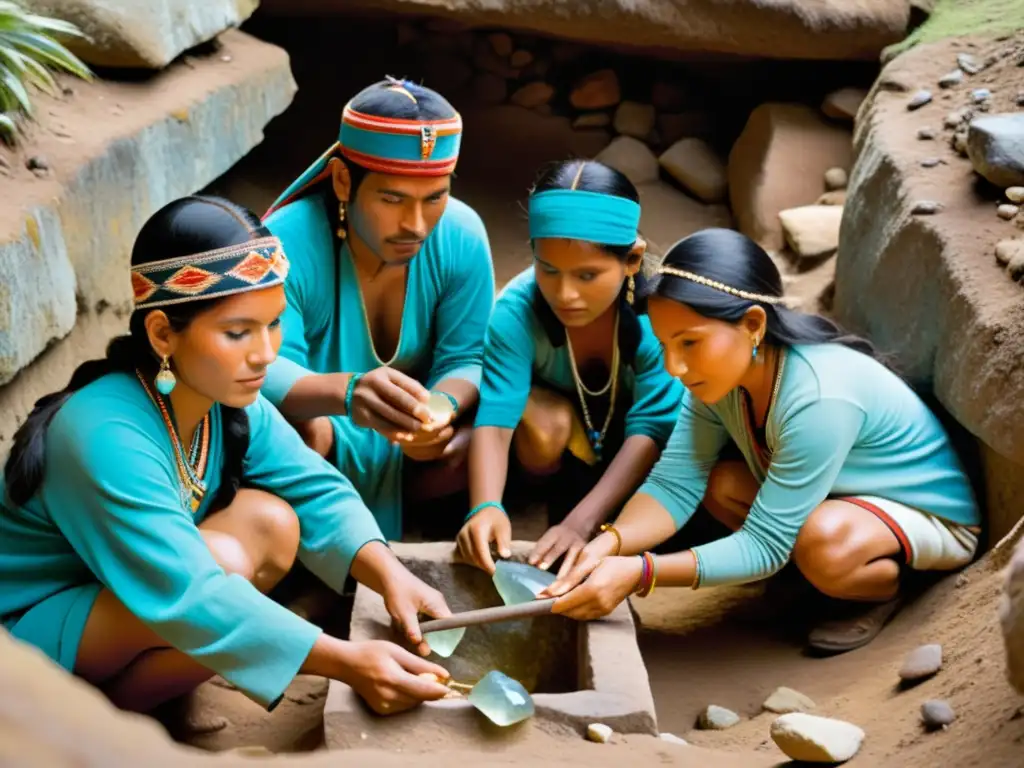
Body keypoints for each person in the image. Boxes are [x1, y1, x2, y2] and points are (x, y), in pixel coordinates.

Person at [0, 196, 455, 717]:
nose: (265, 353)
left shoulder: (222, 397)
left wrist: (390, 573)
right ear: (163, 333)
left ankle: (148, 699)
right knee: (224, 568)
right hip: (25, 633)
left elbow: (314, 487)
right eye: (238, 332)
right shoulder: (102, 432)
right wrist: (349, 661)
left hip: (120, 598)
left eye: (274, 324)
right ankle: (99, 717)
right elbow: (192, 593)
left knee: (273, 522)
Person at [541, 228, 981, 654]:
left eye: (690, 343)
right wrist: (606, 543)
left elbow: (766, 544)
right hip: (837, 498)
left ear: (753, 324)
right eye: (665, 345)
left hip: (925, 517)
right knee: (724, 485)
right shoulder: (720, 378)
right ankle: (808, 581)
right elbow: (675, 483)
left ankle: (881, 591)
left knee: (822, 541)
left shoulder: (819, 398)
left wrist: (642, 572)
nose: (674, 365)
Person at [261, 77, 495, 542]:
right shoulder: (285, 243)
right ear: (344, 181)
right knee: (301, 435)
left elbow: (468, 357)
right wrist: (349, 394)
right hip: (321, 434)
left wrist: (438, 408)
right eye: (392, 199)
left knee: (501, 431)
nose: (416, 224)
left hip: (415, 449)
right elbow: (264, 368)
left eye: (435, 198)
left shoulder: (462, 233)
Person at [456, 160, 683, 577]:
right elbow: (497, 417)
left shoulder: (661, 319)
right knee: (544, 424)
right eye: (549, 269)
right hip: (557, 453)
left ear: (632, 260)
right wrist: (485, 505)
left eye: (587, 275)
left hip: (639, 455)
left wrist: (580, 525)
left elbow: (651, 430)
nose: (565, 294)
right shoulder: (515, 312)